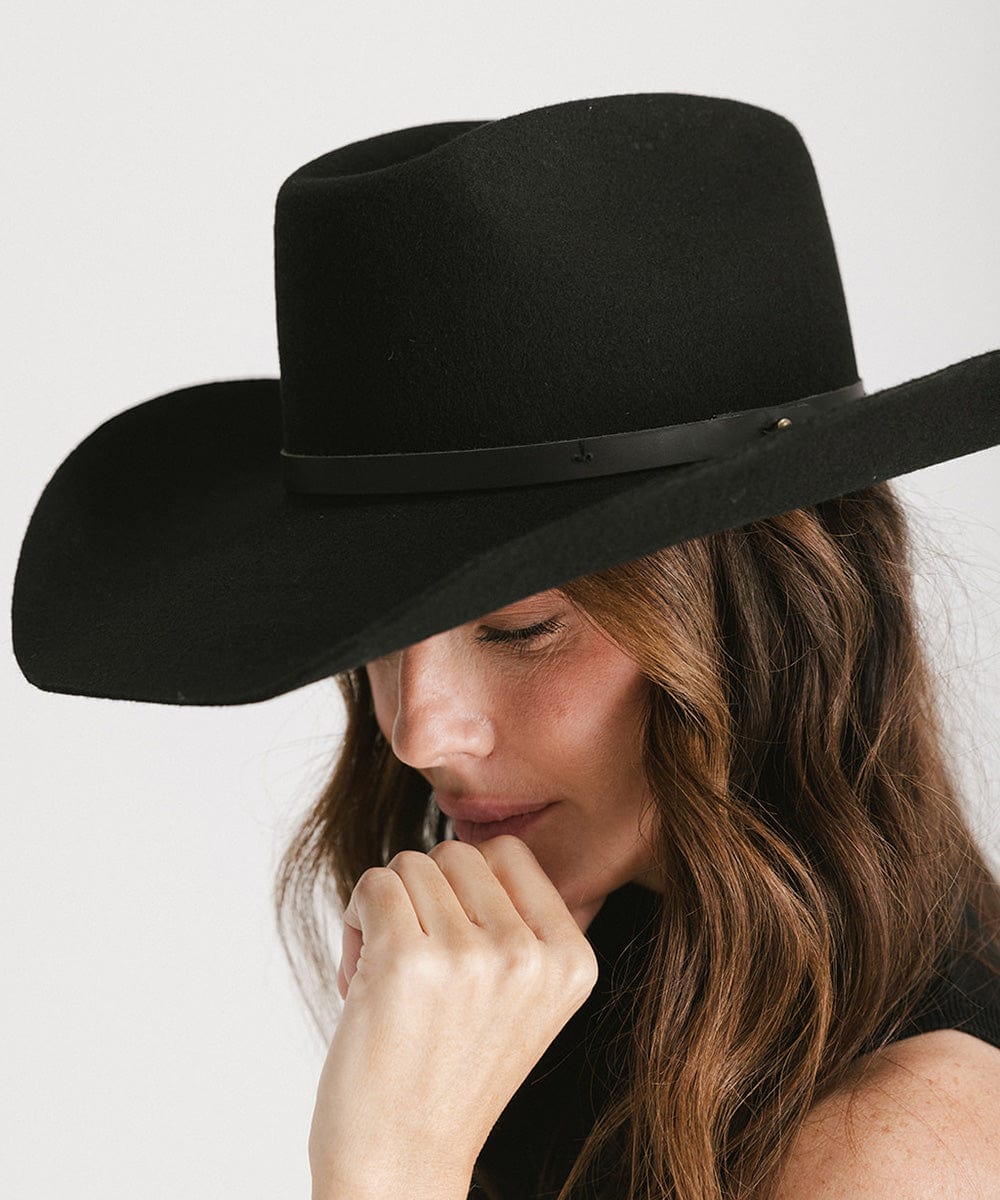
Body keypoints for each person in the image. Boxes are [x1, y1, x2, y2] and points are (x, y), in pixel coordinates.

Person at [11, 92, 1000, 1199]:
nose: (417, 728)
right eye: (382, 636)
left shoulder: (905, 1149)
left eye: (521, 628)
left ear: (771, 626)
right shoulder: (571, 990)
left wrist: (392, 1167)